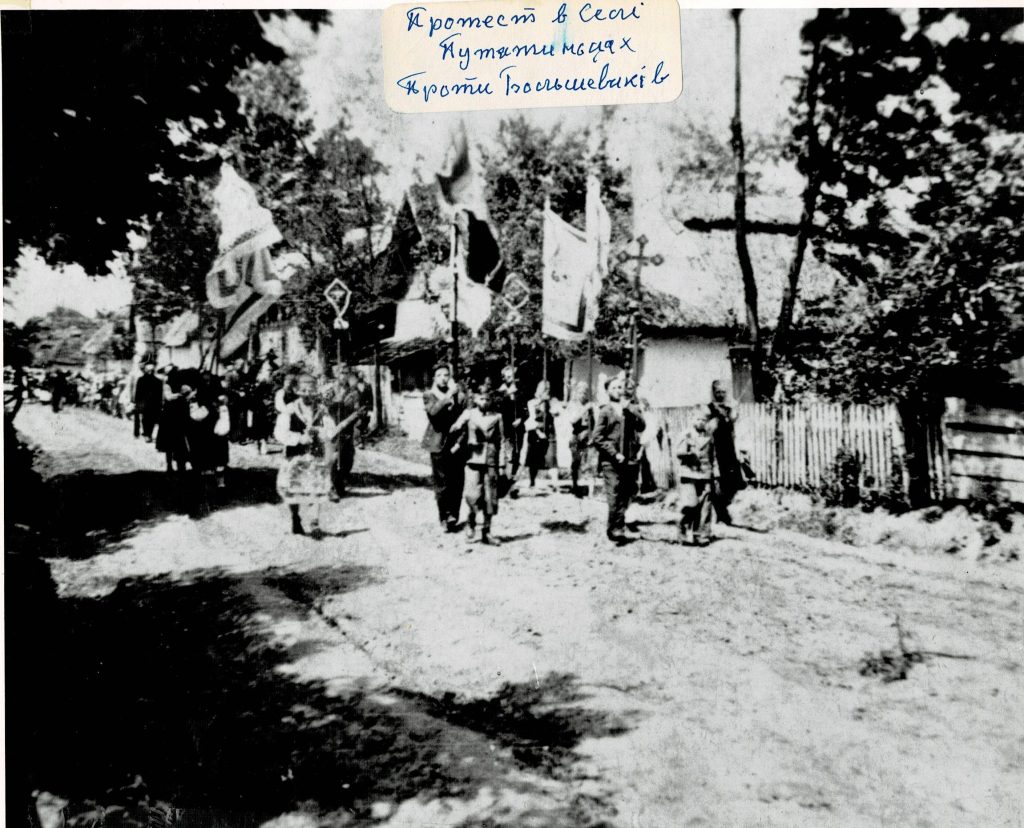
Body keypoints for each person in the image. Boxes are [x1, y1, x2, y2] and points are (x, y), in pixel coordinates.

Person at [274, 372, 349, 538]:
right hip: (296, 456)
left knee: (316, 488)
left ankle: (314, 523)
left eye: (310, 391)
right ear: (298, 391)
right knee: (293, 490)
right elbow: (279, 433)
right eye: (303, 391)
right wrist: (299, 438)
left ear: (315, 392)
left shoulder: (321, 411)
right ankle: (295, 517)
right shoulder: (290, 410)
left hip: (315, 455)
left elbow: (330, 430)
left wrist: (322, 433)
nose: (307, 394)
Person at [593, 375, 646, 544]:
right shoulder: (605, 411)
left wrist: (630, 409)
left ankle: (616, 527)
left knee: (625, 494)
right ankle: (615, 529)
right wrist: (614, 453)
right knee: (614, 493)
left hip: (628, 459)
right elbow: (597, 437)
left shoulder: (629, 409)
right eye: (614, 388)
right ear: (608, 391)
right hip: (611, 461)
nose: (618, 390)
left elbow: (641, 426)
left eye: (620, 387)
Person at [450, 384, 505, 544]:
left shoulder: (497, 417)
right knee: (472, 494)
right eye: (481, 398)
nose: (484, 402)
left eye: (488, 399)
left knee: (490, 497)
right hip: (473, 458)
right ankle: (471, 521)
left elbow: (501, 440)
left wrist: (501, 463)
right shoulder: (469, 414)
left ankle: (486, 532)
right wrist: (458, 427)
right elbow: (456, 426)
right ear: (475, 399)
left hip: (490, 459)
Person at [422, 362, 466, 531]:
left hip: (455, 444)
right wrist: (448, 395)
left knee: (457, 482)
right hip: (437, 444)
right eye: (439, 375)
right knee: (442, 483)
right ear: (434, 378)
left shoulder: (459, 396)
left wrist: (460, 442)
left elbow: (465, 418)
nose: (443, 378)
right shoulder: (429, 395)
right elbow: (433, 412)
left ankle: (453, 515)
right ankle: (443, 516)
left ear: (450, 377)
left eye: (446, 375)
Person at [675, 414, 716, 546]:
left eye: (703, 420)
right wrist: (689, 454)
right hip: (689, 473)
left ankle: (701, 535)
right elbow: (678, 453)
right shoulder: (686, 435)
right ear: (692, 420)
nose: (701, 422)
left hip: (705, 473)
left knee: (705, 506)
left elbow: (713, 455)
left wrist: (714, 471)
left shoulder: (709, 436)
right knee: (691, 504)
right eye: (698, 419)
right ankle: (683, 530)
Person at [706, 379, 743, 525]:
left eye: (723, 392)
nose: (721, 395)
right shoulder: (709, 408)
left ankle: (724, 506)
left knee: (734, 482)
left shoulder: (729, 407)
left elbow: (734, 421)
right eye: (718, 392)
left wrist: (734, 408)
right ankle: (721, 512)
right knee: (716, 482)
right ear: (713, 392)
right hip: (714, 448)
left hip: (729, 448)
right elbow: (707, 427)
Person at [497, 366, 526, 490]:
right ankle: (503, 480)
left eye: (511, 376)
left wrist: (520, 419)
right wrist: (506, 394)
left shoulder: (520, 391)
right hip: (504, 425)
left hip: (517, 427)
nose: (509, 379)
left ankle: (511, 481)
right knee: (504, 452)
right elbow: (497, 406)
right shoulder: (500, 391)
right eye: (507, 377)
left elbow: (526, 411)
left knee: (515, 454)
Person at [524, 380, 557, 488]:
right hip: (535, 432)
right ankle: (532, 480)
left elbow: (556, 412)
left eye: (548, 389)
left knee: (551, 456)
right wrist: (540, 401)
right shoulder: (532, 403)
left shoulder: (551, 402)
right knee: (533, 459)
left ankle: (554, 482)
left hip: (549, 432)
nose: (547, 392)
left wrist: (549, 404)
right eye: (545, 389)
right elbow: (531, 419)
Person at [564, 381, 594, 498]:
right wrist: (584, 409)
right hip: (576, 435)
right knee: (575, 462)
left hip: (587, 435)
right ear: (576, 392)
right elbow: (573, 419)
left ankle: (590, 490)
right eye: (580, 392)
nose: (583, 394)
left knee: (590, 463)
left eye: (585, 392)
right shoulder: (573, 404)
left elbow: (595, 420)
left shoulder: (590, 404)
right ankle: (575, 485)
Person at [133, 362, 164, 442]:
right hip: (145, 404)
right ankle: (147, 434)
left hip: (153, 403)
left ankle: (148, 434)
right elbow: (138, 392)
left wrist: (160, 404)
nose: (149, 371)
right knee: (146, 419)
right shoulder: (141, 380)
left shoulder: (158, 381)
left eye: (151, 370)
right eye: (148, 370)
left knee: (151, 420)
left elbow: (160, 394)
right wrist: (136, 402)